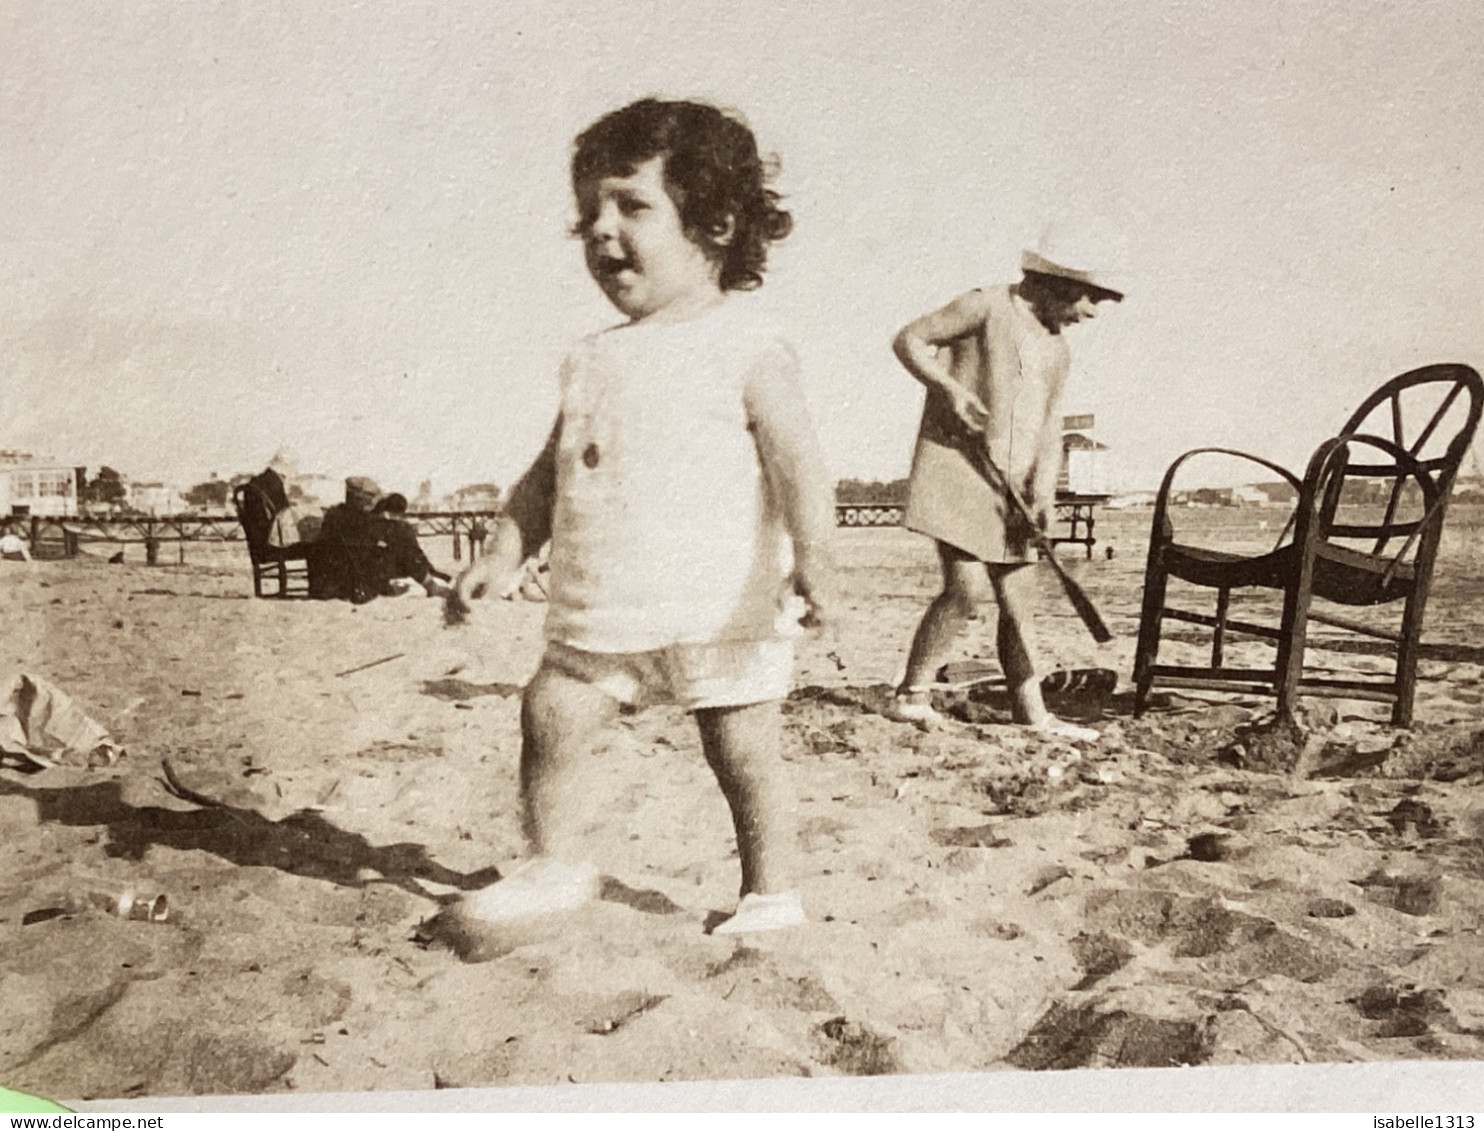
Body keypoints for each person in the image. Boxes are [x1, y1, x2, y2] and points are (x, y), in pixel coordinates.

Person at [449, 97, 834, 935]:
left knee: (742, 749)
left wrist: (817, 559)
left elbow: (798, 463)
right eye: (588, 212)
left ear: (719, 222)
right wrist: (501, 552)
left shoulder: (746, 343)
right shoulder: (592, 356)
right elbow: (546, 477)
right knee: (549, 713)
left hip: (718, 606)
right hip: (601, 609)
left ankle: (770, 891)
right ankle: (556, 863)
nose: (599, 230)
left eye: (631, 205)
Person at [887, 228, 1125, 740]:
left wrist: (1043, 493)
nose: (1091, 312)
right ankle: (911, 695)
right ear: (1054, 284)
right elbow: (908, 340)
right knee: (966, 589)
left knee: (1020, 607)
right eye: (1088, 298)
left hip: (1012, 487)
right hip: (958, 464)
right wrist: (947, 389)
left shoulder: (1058, 350)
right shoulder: (985, 306)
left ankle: (1032, 713)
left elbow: (1051, 423)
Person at [370, 493, 453, 598]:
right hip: (387, 570)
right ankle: (431, 586)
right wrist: (433, 571)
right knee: (410, 554)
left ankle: (431, 583)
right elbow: (415, 554)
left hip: (372, 569)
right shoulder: (401, 528)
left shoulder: (373, 523)